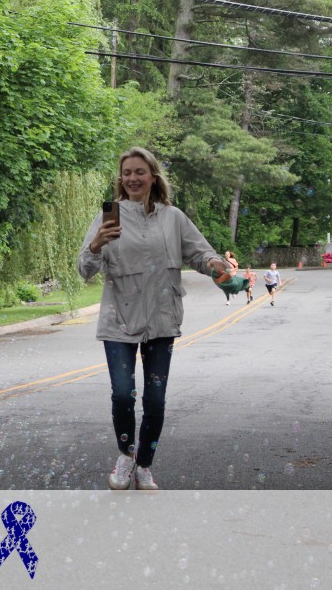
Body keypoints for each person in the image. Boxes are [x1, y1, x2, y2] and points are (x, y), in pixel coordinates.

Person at [78, 147, 228, 491]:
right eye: (126, 172)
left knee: (155, 400)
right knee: (122, 395)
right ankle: (126, 455)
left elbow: (200, 253)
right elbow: (84, 270)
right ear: (121, 178)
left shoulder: (172, 217)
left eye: (139, 172)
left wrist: (215, 264)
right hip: (118, 320)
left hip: (161, 319)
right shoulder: (108, 217)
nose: (132, 178)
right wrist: (96, 246)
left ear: (153, 176)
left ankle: (145, 464)